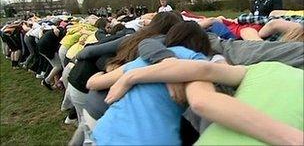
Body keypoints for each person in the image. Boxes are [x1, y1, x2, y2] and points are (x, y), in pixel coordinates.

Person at [103, 59, 303, 145]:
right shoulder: (266, 68)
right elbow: (202, 95)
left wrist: (131, 77)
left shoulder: (267, 67)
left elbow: (203, 72)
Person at [86, 21, 212, 145]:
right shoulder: (196, 62)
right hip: (154, 140)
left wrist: (102, 73)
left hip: (106, 133)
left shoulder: (141, 60)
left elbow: (93, 83)